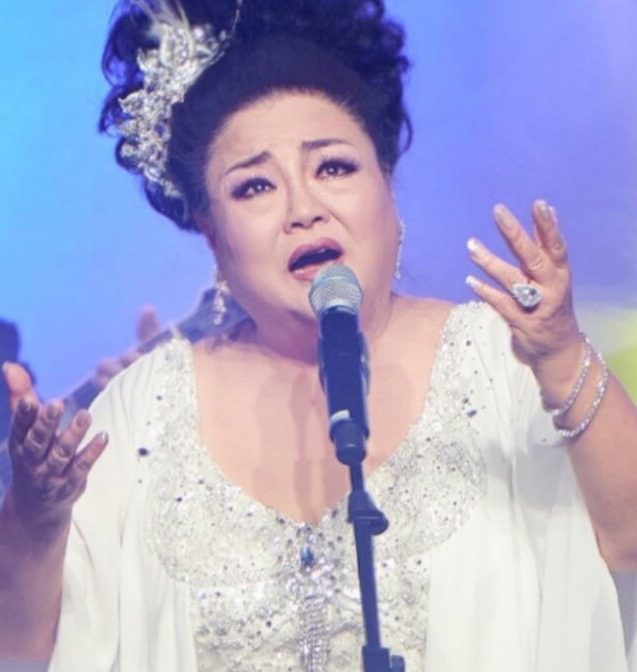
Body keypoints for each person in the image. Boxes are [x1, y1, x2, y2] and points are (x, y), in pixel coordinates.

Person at [1, 1, 636, 670]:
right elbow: (18, 643)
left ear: (388, 188)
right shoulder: (143, 412)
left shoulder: (500, 358)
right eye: (254, 187)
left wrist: (562, 355)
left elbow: (628, 542)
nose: (303, 208)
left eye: (332, 167)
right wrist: (37, 517)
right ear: (212, 234)